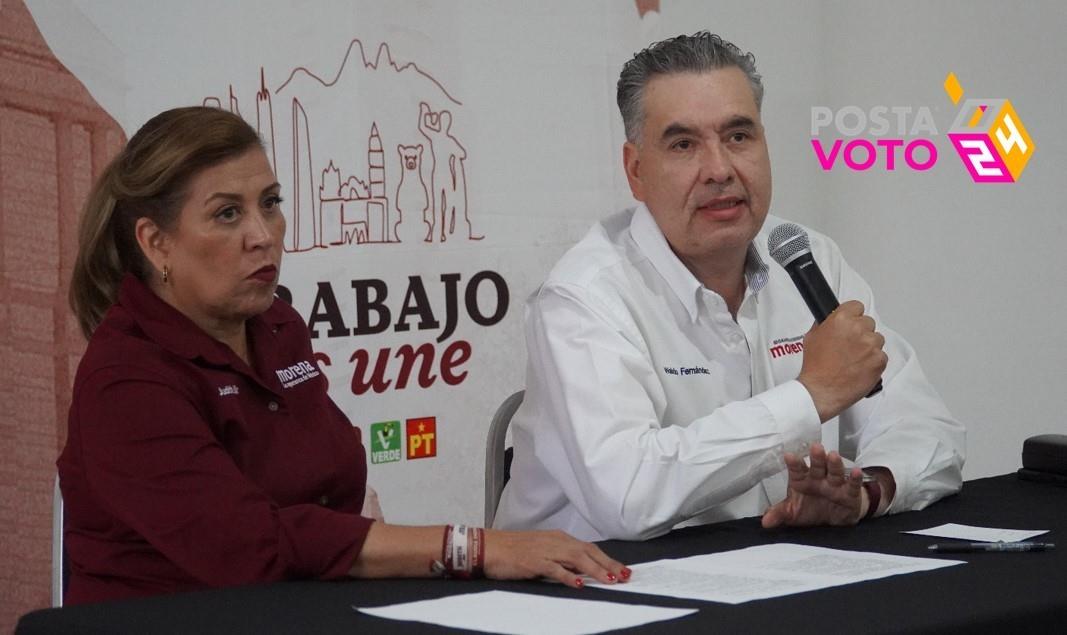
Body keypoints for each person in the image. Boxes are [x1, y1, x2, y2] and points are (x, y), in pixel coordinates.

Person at [58, 106, 627, 605]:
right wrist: (473, 547)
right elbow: (254, 547)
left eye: (271, 203)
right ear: (155, 242)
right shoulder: (125, 378)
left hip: (306, 608)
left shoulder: (276, 325)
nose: (264, 235)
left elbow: (333, 488)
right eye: (227, 214)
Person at [493, 32, 966, 541]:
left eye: (739, 137)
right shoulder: (584, 296)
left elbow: (927, 429)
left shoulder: (809, 258)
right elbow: (628, 497)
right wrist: (811, 396)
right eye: (684, 145)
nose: (719, 169)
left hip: (773, 572)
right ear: (636, 171)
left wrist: (865, 492)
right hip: (597, 593)